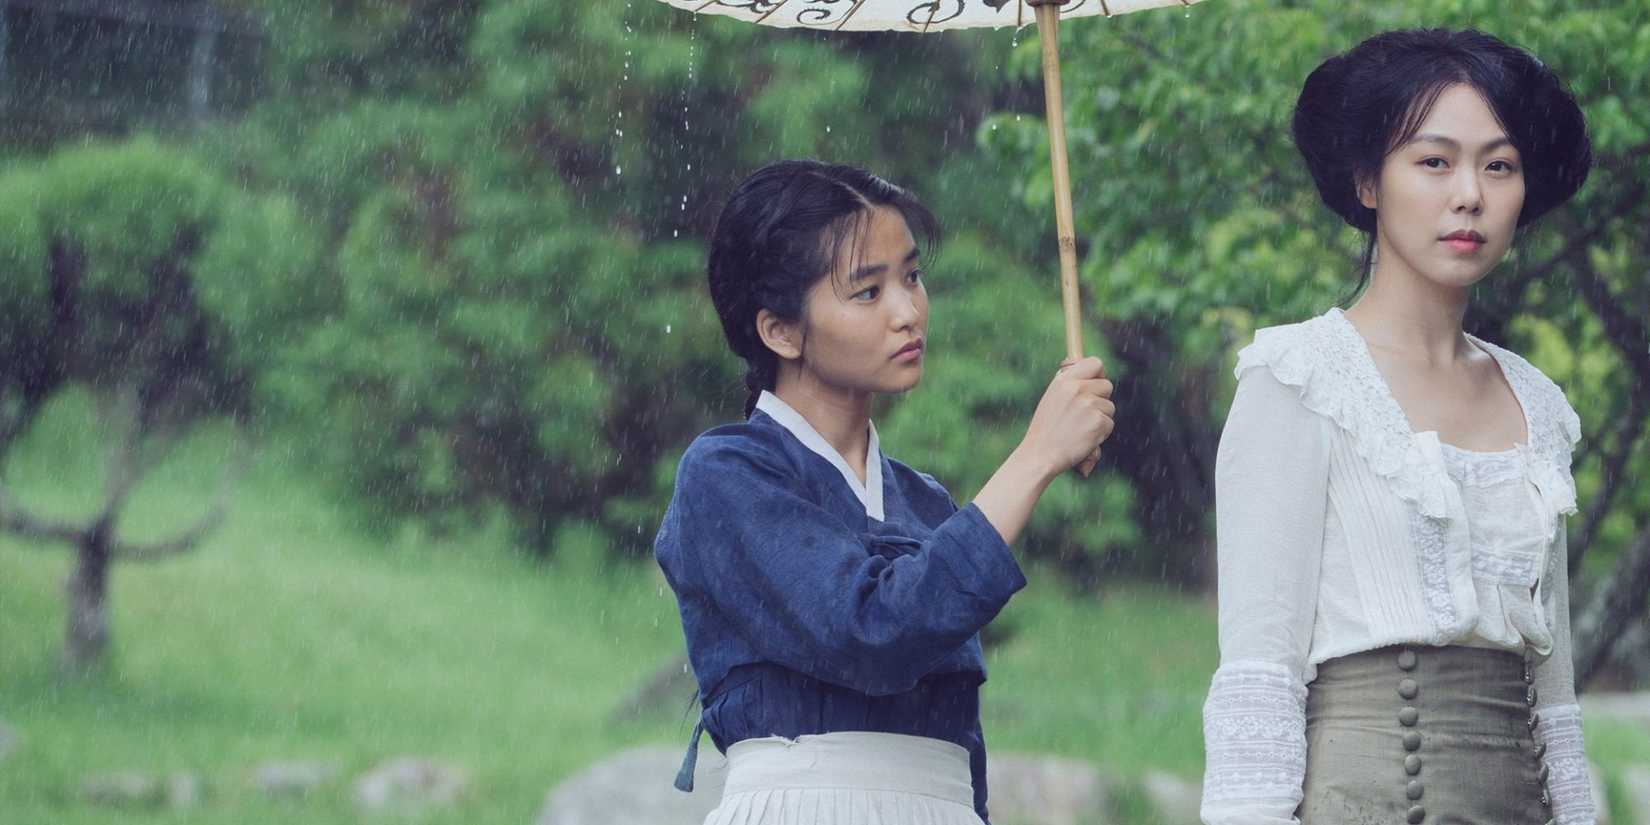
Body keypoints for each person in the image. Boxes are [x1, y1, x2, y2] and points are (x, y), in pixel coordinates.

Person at [1200, 29, 1595, 825]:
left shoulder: (1538, 403)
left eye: (1499, 165)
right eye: (1434, 161)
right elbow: (1260, 672)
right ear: (1367, 181)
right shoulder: (1299, 380)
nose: (1469, 197)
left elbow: (1554, 700)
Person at [654, 159, 1115, 824]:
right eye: (867, 292)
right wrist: (1037, 454)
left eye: (912, 277)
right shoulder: (725, 474)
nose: (908, 312)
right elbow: (872, 634)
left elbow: (961, 734)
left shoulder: (926, 501)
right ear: (779, 329)